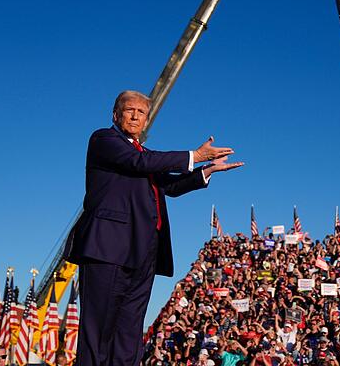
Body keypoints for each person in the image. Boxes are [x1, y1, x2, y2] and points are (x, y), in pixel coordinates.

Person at [65, 90, 243, 365]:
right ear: (116, 115)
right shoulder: (104, 140)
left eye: (142, 113)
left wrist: (205, 171)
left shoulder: (145, 154)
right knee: (98, 332)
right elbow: (139, 163)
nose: (135, 116)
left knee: (129, 335)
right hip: (107, 249)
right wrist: (193, 155)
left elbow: (169, 185)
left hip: (144, 252)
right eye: (129, 110)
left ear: (147, 121)